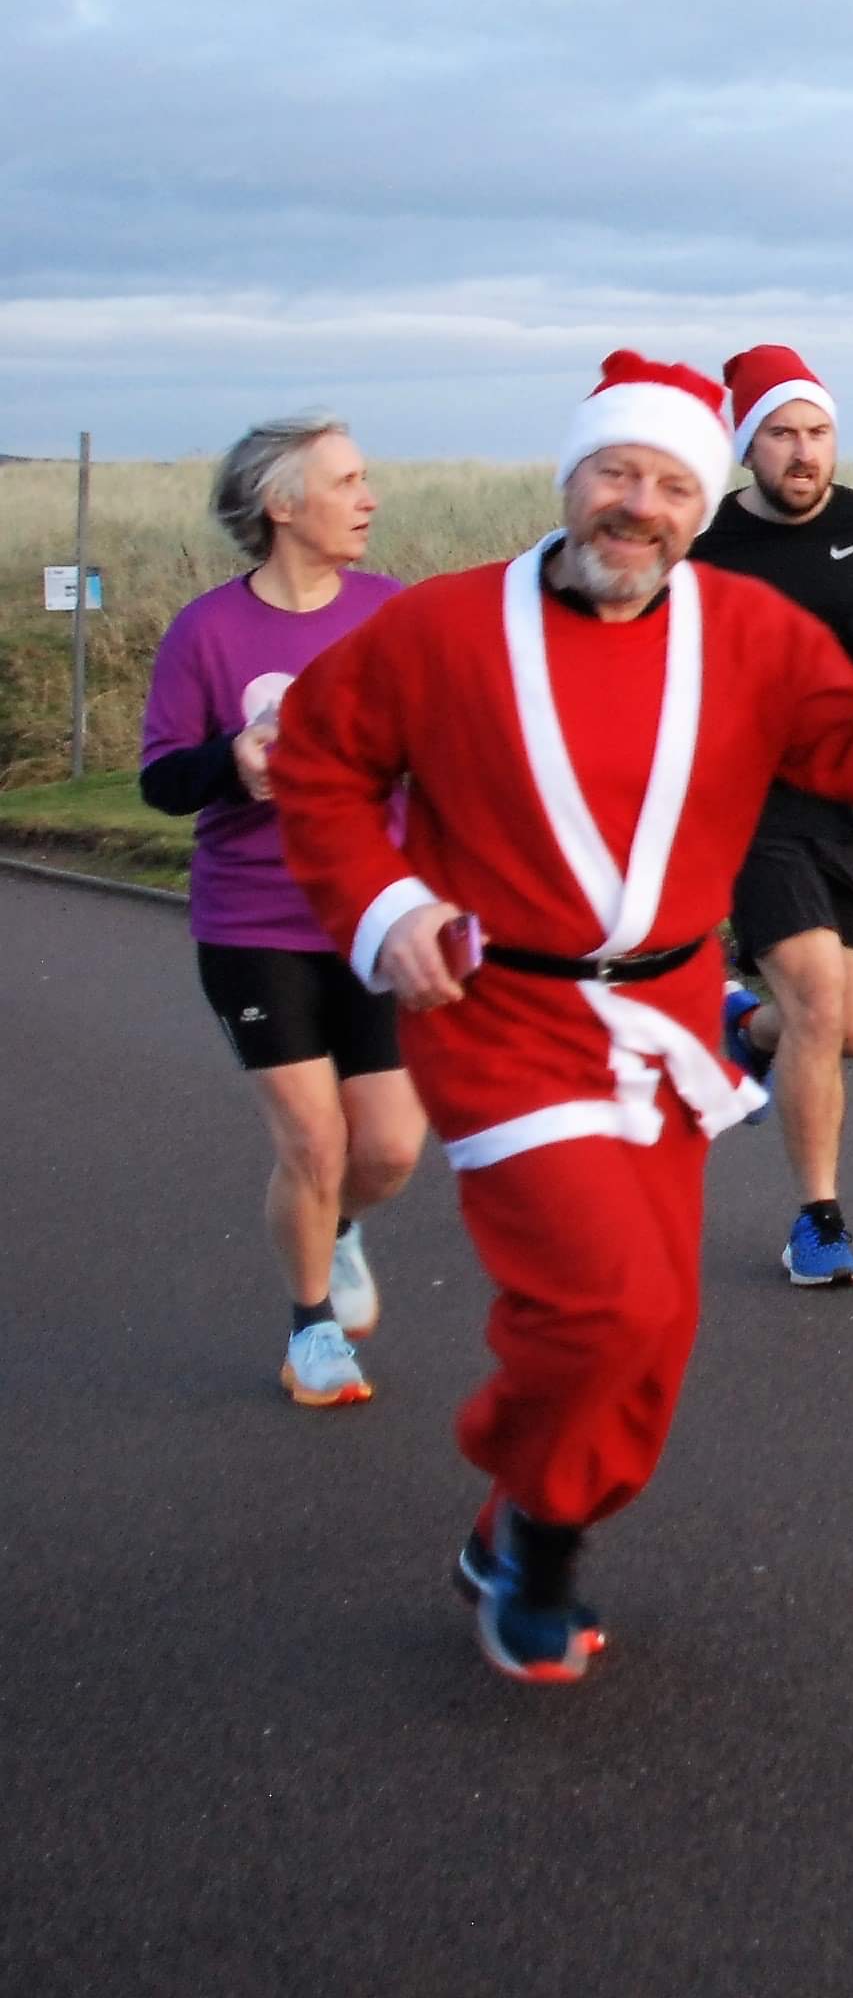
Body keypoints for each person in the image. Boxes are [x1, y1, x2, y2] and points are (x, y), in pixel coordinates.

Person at [275, 352, 853, 1684]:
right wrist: (386, 911)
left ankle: (518, 1518)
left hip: (667, 1019)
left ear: (697, 503)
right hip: (497, 1017)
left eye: (673, 483)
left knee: (655, 1322)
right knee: (602, 1305)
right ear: (571, 479)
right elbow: (320, 759)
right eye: (617, 473)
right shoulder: (442, 628)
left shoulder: (750, 634)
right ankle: (541, 1555)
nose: (640, 505)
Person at [137, 415, 426, 1407]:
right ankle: (311, 1335)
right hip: (252, 921)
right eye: (347, 481)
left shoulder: (391, 613)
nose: (368, 498)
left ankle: (335, 1225)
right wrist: (234, 760)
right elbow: (163, 782)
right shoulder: (207, 632)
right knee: (312, 1140)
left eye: (364, 477)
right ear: (283, 504)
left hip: (372, 914)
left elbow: (442, 748)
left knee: (385, 1150)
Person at [688, 345, 853, 1287]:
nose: (803, 452)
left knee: (849, 1029)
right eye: (781, 434)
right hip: (753, 806)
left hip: (852, 801)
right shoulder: (704, 547)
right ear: (747, 445)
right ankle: (817, 1222)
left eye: (817, 432)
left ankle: (745, 1035)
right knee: (819, 1002)